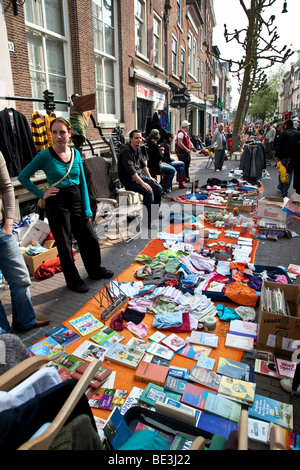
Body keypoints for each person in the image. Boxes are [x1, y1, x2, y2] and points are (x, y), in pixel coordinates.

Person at [18, 118, 113, 294]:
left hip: (77, 200)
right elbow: (23, 176)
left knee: (90, 238)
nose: (58, 136)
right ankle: (73, 280)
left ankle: (95, 270)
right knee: (64, 243)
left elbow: (83, 183)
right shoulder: (44, 155)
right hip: (57, 204)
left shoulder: (76, 154)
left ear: (69, 133)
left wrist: (87, 208)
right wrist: (41, 193)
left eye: (62, 132)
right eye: (54, 132)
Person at [0, 152, 50, 332]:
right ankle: (4, 334)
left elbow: (7, 186)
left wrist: (8, 221)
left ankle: (25, 320)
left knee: (20, 276)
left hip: (2, 230)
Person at [118, 129, 162, 229]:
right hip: (129, 180)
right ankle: (147, 221)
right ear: (131, 139)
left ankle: (154, 213)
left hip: (139, 177)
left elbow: (143, 165)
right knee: (148, 192)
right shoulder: (126, 152)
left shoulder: (138, 149)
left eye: (140, 138)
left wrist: (150, 178)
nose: (139, 140)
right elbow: (131, 172)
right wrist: (143, 183)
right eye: (136, 138)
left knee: (158, 188)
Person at [276, 119, 300, 196]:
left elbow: (279, 145)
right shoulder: (297, 133)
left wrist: (277, 155)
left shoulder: (283, 133)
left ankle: (281, 186)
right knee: (288, 173)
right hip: (293, 156)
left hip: (283, 156)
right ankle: (284, 190)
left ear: (286, 125)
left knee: (282, 171)